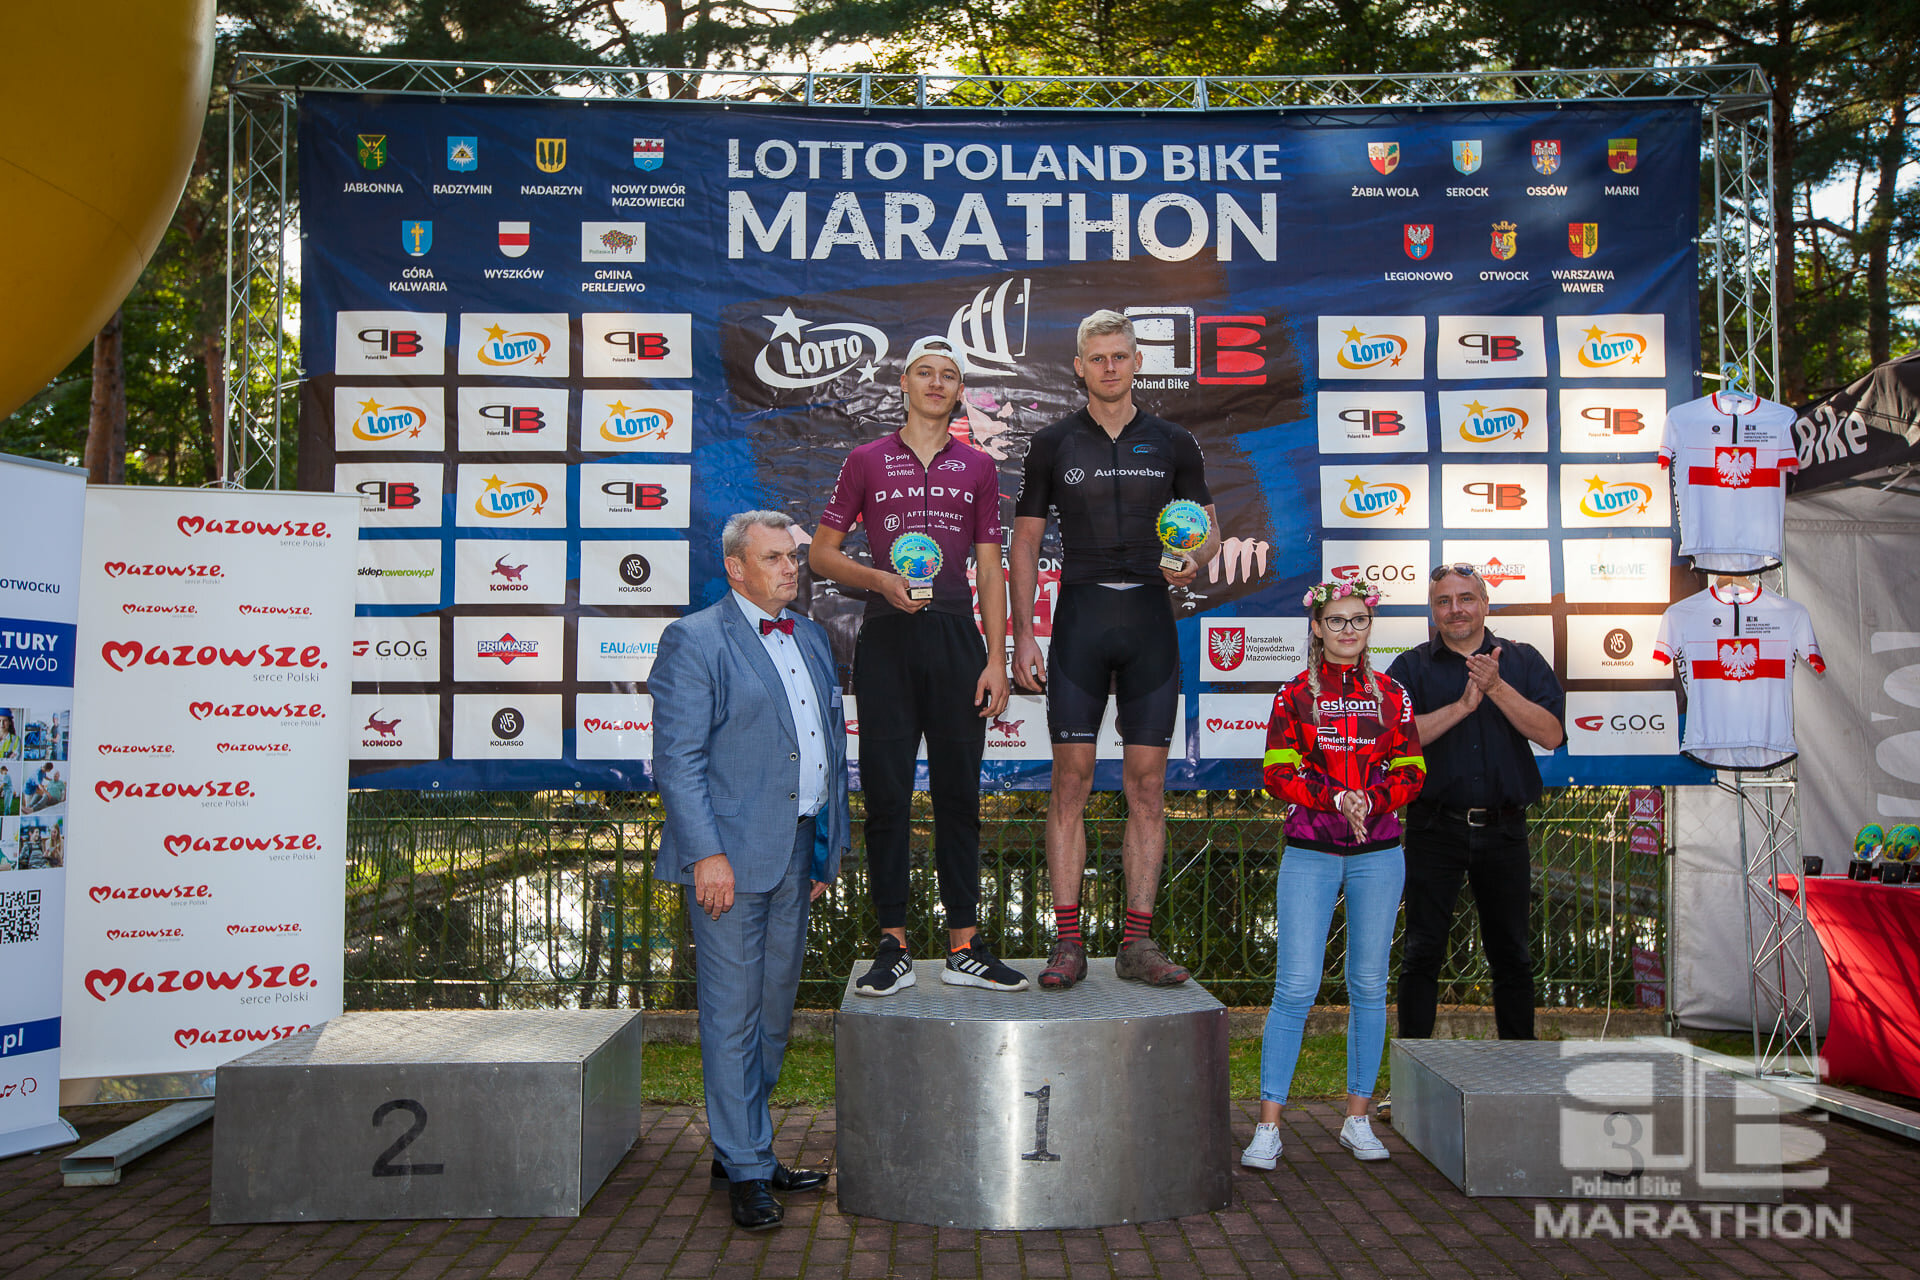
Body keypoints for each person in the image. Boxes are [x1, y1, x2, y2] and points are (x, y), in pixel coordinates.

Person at [651, 510, 849, 1231]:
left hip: (796, 853)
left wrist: (825, 847)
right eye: (774, 558)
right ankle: (745, 1164)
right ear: (736, 568)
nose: (791, 568)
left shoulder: (812, 638)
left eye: (792, 557)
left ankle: (744, 1146)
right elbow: (678, 761)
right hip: (727, 861)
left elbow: (826, 752)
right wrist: (707, 855)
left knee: (771, 1016)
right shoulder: (695, 639)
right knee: (732, 1018)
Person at [1009, 310, 1218, 990]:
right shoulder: (1052, 443)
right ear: (1079, 366)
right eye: (1096, 357)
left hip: (1150, 621)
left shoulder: (1175, 441)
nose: (1108, 367)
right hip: (1080, 621)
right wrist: (1023, 634)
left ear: (1136, 362)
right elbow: (1025, 542)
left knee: (1148, 787)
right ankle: (1068, 943)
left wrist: (1195, 557)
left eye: (1119, 356)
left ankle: (1137, 942)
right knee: (1069, 781)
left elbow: (1210, 533)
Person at [810, 336, 1023, 995]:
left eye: (948, 376)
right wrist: (879, 580)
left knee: (960, 797)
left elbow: (990, 567)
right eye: (925, 373)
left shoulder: (978, 467)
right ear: (903, 383)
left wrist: (997, 659)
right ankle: (893, 944)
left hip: (958, 638)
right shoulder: (865, 459)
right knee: (887, 797)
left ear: (959, 391)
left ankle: (965, 946)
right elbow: (821, 555)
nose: (936, 383)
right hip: (886, 638)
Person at [1242, 580, 1424, 1168]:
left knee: (1368, 985)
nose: (1349, 630)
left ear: (1370, 626)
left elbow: (1412, 769)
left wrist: (1371, 799)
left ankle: (1357, 1118)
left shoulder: (1393, 695)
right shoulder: (1293, 695)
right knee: (1295, 987)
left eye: (1359, 620)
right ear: (1317, 627)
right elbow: (1278, 772)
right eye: (1337, 620)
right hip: (1310, 851)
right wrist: (1335, 799)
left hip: (1380, 852)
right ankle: (1268, 1126)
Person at [1387, 564, 1565, 1043]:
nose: (1456, 610)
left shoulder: (1522, 661)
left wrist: (1496, 688)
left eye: (1466, 598)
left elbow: (1552, 734)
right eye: (1444, 601)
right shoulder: (1409, 668)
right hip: (1433, 829)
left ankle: (1518, 1064)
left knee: (1512, 955)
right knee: (1421, 952)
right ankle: (1413, 1069)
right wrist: (1463, 707)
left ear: (1485, 604)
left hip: (1504, 830)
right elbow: (1394, 741)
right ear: (1433, 611)